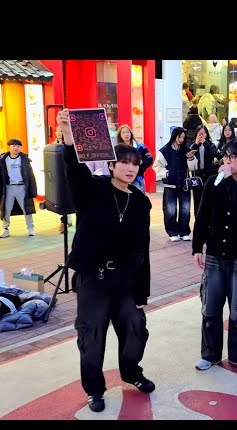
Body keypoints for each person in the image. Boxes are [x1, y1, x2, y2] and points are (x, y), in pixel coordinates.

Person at [55, 108, 154, 413]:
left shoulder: (140, 202)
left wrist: (141, 292)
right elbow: (74, 172)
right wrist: (70, 141)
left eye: (135, 164)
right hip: (94, 281)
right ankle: (94, 390)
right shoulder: (93, 190)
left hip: (125, 281)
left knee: (136, 327)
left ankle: (131, 372)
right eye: (124, 163)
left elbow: (143, 248)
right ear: (111, 165)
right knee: (92, 336)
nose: (130, 168)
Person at [192, 139, 237, 372]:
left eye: (233, 157)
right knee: (210, 308)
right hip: (214, 255)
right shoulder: (214, 183)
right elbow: (202, 214)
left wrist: (227, 181)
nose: (228, 161)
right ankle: (210, 354)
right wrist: (197, 247)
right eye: (226, 156)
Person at [153, 127, 194, 241]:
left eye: (183, 137)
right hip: (170, 185)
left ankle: (184, 231)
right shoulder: (164, 150)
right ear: (174, 136)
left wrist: (191, 158)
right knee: (170, 209)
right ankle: (172, 232)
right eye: (179, 137)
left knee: (185, 209)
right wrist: (167, 174)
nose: (181, 139)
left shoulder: (186, 150)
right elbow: (157, 166)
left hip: (184, 184)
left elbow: (193, 167)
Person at [0, 138, 37, 238]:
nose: (16, 148)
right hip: (9, 188)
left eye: (18, 146)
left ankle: (31, 228)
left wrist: (33, 190)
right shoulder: (3, 159)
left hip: (22, 187)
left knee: (26, 209)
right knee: (6, 210)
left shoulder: (24, 159)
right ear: (9, 147)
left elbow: (30, 175)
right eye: (14, 145)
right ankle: (5, 229)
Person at [116, 124, 154, 194]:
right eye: (123, 133)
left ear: (131, 133)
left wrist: (141, 165)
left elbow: (149, 158)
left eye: (127, 132)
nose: (126, 134)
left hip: (137, 178)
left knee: (139, 198)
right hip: (121, 178)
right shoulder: (118, 148)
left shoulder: (139, 146)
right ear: (120, 135)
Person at [53, 126, 74, 233]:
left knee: (69, 196)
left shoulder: (70, 144)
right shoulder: (53, 145)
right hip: (58, 175)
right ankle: (65, 220)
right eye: (58, 131)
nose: (59, 133)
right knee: (61, 198)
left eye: (62, 131)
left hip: (69, 174)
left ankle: (66, 220)